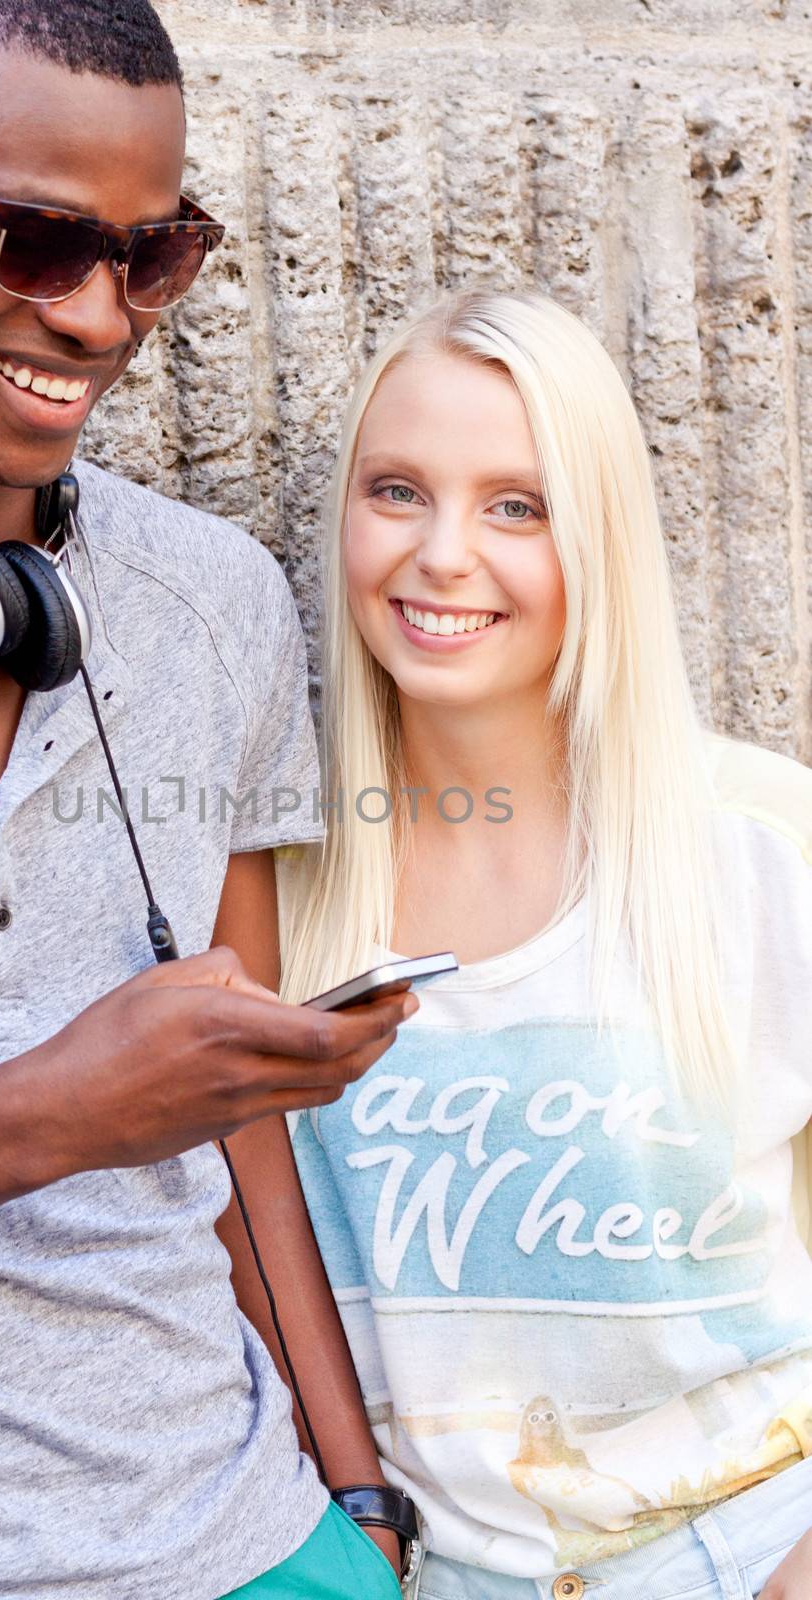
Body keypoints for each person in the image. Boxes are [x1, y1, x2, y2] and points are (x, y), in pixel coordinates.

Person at [0, 2, 417, 1595]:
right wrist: (40, 1119)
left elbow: (235, 1118)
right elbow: (96, 1105)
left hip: (262, 1536)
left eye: (152, 255)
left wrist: (360, 1503)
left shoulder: (212, 600)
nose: (103, 320)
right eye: (40, 244)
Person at [259, 289, 812, 1600]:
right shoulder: (269, 891)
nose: (443, 554)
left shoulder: (761, 842)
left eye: (518, 504)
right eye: (398, 491)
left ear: (601, 538)